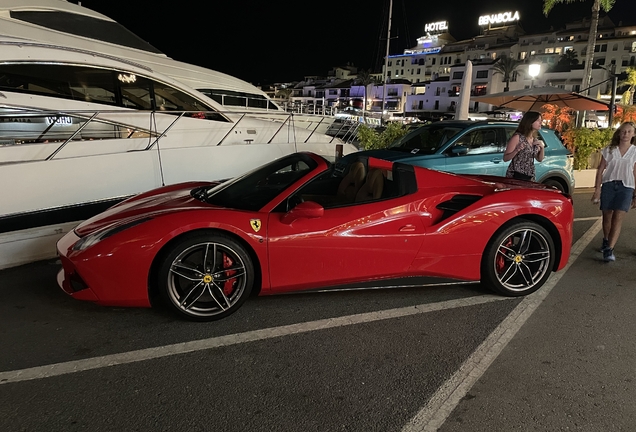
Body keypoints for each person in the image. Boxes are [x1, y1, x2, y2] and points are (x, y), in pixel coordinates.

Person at [591, 121, 636, 262]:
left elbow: (635, 172)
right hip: (609, 184)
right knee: (607, 218)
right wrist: (597, 189)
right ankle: (606, 239)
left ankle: (609, 249)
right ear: (619, 133)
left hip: (626, 187)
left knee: (618, 218)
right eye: (623, 131)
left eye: (629, 131)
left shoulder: (635, 151)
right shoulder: (609, 150)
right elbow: (600, 170)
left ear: (634, 134)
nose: (626, 134)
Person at [503, 111, 545, 181]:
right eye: (538, 120)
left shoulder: (534, 139)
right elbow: (505, 158)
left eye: (541, 121)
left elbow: (539, 159)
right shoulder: (517, 137)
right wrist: (517, 150)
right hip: (516, 175)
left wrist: (542, 147)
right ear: (530, 122)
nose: (540, 123)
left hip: (530, 176)